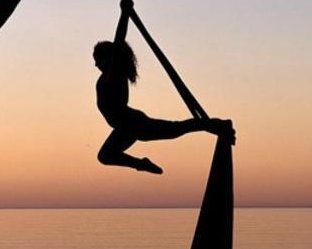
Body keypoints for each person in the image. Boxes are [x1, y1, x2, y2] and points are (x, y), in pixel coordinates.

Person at [93, 40, 233, 174]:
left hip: (131, 124)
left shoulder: (113, 73)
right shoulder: (110, 75)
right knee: (175, 129)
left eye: (98, 59)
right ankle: (217, 124)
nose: (95, 64)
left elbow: (119, 39)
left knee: (175, 129)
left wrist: (125, 16)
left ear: (109, 58)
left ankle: (218, 124)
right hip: (125, 126)